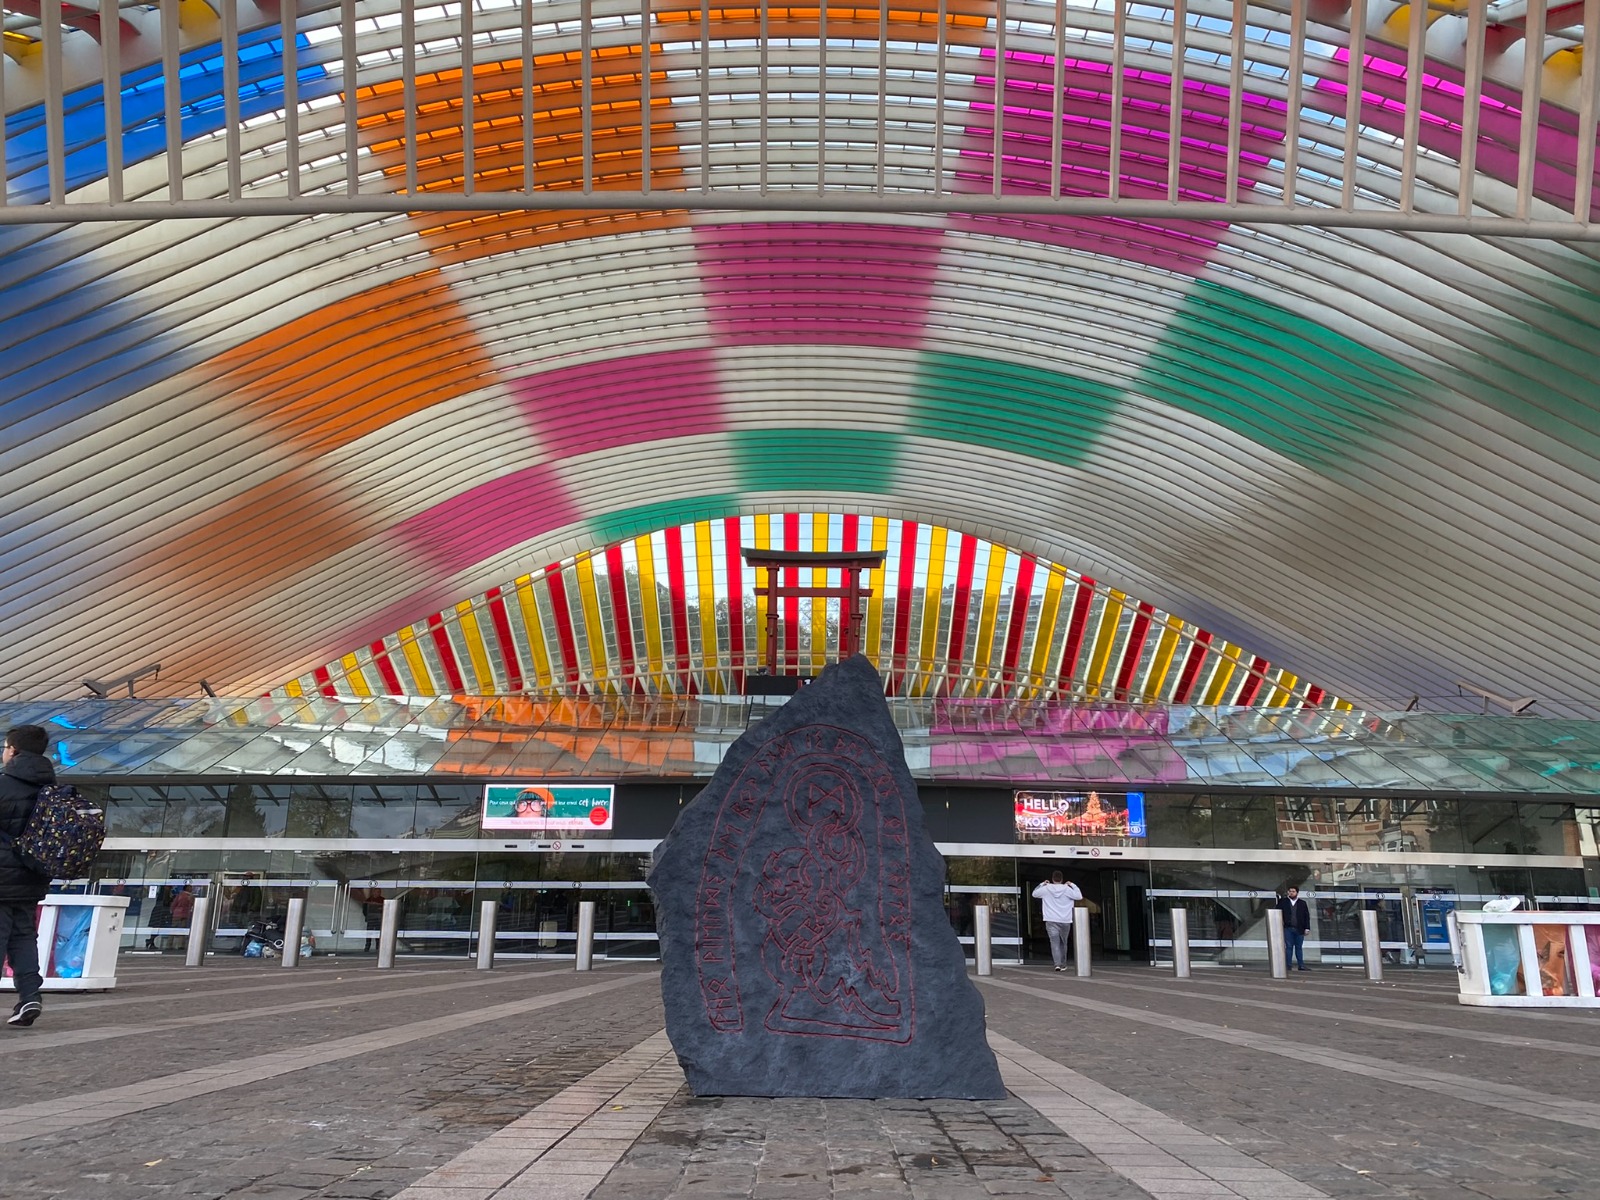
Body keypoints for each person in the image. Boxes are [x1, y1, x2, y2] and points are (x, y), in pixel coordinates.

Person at [0, 725, 56, 1028]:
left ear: (14, 750)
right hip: (31, 878)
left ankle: (29, 997)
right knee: (23, 938)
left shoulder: (3, 785)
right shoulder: (52, 788)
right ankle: (30, 996)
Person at [1032, 870, 1084, 972]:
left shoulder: (1046, 889)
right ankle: (1063, 964)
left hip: (1051, 920)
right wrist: (1072, 885)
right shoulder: (1067, 889)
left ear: (1052, 879)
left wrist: (1042, 884)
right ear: (1062, 879)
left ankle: (1057, 964)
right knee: (1063, 942)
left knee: (1054, 943)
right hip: (1065, 920)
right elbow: (1079, 896)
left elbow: (1034, 893)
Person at [1279, 885, 1311, 971]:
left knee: (1299, 947)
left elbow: (1306, 916)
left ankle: (1301, 965)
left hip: (1299, 928)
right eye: (1290, 891)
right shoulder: (1283, 902)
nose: (1291, 893)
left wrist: (1307, 928)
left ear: (1297, 893)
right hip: (1288, 928)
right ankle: (1288, 965)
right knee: (1289, 946)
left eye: (1293, 891)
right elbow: (1277, 913)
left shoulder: (1302, 903)